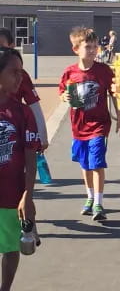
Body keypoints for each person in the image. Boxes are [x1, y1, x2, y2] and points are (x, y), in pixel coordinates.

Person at [59, 27, 120, 221]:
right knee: (85, 164)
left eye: (95, 47)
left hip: (99, 125)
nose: (92, 50)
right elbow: (63, 92)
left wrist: (119, 118)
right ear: (76, 49)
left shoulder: (104, 71)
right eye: (88, 47)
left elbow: (114, 93)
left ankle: (98, 202)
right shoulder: (70, 72)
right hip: (78, 126)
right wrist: (64, 96)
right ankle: (89, 198)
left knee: (96, 163)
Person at [0, 47, 39, 291]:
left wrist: (28, 194)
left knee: (11, 247)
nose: (19, 78)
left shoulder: (22, 112)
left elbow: (30, 156)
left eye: (21, 73)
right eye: (13, 72)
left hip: (11, 197)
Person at [0, 28, 48, 153]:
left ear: (11, 46)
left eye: (1, 46)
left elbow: (34, 105)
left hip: (13, 135)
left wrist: (42, 137)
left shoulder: (21, 76)